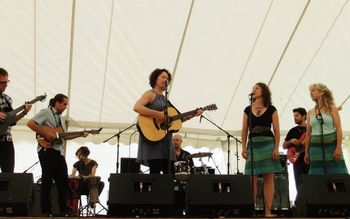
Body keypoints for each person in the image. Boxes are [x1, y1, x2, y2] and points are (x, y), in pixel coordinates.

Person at [27, 94, 88, 216]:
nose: (66, 106)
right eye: (64, 104)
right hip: (47, 151)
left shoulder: (61, 120)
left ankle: (63, 211)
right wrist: (46, 134)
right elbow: (30, 123)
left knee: (63, 183)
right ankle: (46, 211)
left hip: (58, 152)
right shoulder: (45, 112)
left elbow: (63, 137)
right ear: (57, 103)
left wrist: (81, 134)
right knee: (47, 181)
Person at [134, 68, 202, 174]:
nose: (166, 79)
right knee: (155, 175)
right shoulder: (150, 94)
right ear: (155, 79)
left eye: (167, 78)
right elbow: (137, 107)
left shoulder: (165, 100)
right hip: (153, 139)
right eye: (163, 77)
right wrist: (159, 114)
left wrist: (193, 114)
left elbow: (176, 121)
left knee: (169, 175)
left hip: (166, 143)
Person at [241, 82, 282, 217]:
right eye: (252, 88)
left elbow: (276, 130)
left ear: (264, 91)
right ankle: (250, 210)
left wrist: (276, 148)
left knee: (268, 179)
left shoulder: (272, 109)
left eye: (256, 88)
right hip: (253, 145)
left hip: (268, 144)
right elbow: (244, 130)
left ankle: (268, 212)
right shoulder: (247, 109)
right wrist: (243, 146)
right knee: (251, 179)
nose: (253, 89)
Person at [304, 83, 348, 175]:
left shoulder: (332, 108)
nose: (311, 93)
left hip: (332, 146)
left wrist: (338, 147)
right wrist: (306, 152)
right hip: (315, 148)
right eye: (310, 91)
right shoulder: (310, 112)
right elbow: (308, 134)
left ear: (322, 92)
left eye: (313, 90)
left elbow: (339, 128)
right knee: (317, 177)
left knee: (337, 175)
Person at [0, 67, 32, 172]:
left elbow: (12, 121)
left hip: (7, 140)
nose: (6, 85)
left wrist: (24, 113)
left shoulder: (7, 99)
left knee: (8, 174)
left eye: (7, 82)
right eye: (2, 82)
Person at [283, 108, 309, 193]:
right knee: (299, 184)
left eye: (297, 115)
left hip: (310, 160)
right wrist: (291, 141)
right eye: (294, 116)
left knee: (311, 183)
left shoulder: (310, 129)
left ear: (304, 116)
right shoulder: (293, 131)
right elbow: (284, 146)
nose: (294, 117)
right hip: (297, 162)